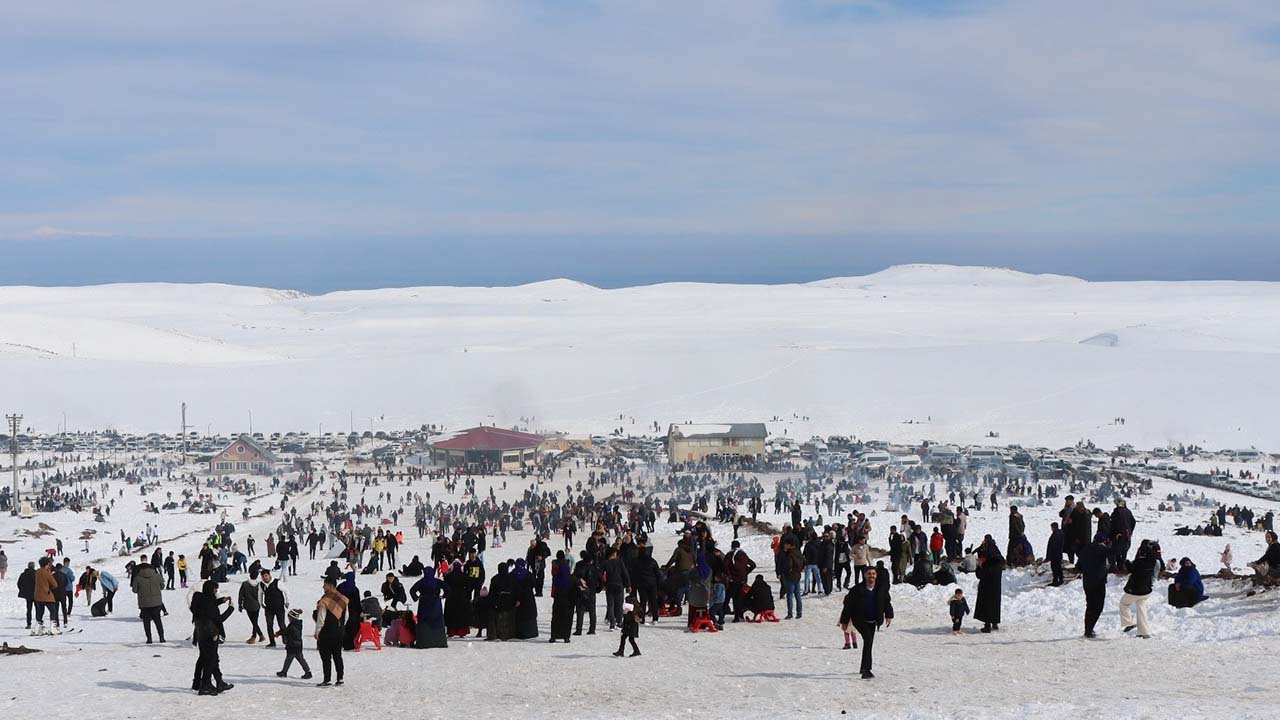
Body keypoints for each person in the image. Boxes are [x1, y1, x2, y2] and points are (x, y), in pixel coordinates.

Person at [838, 567, 893, 679]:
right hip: (860, 620)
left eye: (873, 574)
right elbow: (848, 605)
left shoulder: (880, 589)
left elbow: (886, 602)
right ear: (864, 575)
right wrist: (844, 621)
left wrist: (889, 615)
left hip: (873, 620)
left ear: (876, 576)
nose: (871, 576)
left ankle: (863, 667)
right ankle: (866, 670)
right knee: (868, 641)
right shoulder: (856, 590)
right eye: (869, 574)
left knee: (869, 644)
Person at [191, 580, 235, 696]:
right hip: (211, 635)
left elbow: (209, 604)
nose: (216, 592)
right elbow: (219, 619)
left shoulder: (199, 599)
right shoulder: (209, 604)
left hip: (201, 634)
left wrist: (221, 601)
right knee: (211, 660)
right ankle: (205, 685)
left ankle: (202, 683)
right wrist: (230, 609)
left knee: (204, 658)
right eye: (215, 590)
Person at [315, 577, 349, 686]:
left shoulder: (325, 600)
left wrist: (317, 632)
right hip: (339, 631)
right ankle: (340, 678)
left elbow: (321, 618)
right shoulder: (343, 599)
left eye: (325, 585)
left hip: (327, 632)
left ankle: (327, 679)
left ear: (330, 585)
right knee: (337, 655)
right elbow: (346, 616)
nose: (323, 587)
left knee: (326, 657)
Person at [1120, 542, 1157, 638]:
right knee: (1141, 609)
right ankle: (1144, 632)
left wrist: (1126, 562)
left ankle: (1129, 622)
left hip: (1135, 590)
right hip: (1146, 591)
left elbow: (1131, 569)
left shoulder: (1139, 562)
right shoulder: (1153, 562)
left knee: (1124, 604)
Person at [1076, 534, 1110, 638]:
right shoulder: (1102, 550)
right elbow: (1114, 552)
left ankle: (1088, 630)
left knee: (1090, 606)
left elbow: (1078, 566)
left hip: (1087, 582)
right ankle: (1090, 629)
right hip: (1098, 583)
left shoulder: (1085, 549)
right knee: (1098, 607)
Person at [131, 554, 165, 643]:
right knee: (158, 620)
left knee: (146, 622)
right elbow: (162, 586)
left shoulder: (138, 578)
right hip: (156, 602)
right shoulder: (157, 576)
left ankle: (149, 639)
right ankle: (161, 637)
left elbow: (134, 590)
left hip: (144, 603)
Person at [974, 537, 1004, 633]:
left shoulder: (987, 561)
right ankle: (995, 623)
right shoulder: (998, 558)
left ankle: (987, 626)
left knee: (986, 605)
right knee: (995, 604)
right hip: (996, 587)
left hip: (986, 587)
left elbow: (980, 575)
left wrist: (979, 566)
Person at [276, 607, 313, 679]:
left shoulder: (293, 626)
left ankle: (284, 672)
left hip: (294, 645)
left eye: (289, 617)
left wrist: (283, 633)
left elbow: (288, 632)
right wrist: (280, 633)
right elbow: (286, 631)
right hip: (296, 645)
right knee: (298, 659)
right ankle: (307, 672)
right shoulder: (295, 625)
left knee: (291, 659)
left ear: (292, 618)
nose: (288, 619)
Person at [261, 569, 289, 646]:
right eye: (263, 577)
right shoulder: (262, 584)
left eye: (266, 576)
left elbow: (286, 591)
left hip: (279, 607)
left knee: (282, 624)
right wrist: (261, 603)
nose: (265, 578)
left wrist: (287, 601)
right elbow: (260, 594)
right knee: (269, 625)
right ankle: (272, 642)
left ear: (269, 575)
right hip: (269, 608)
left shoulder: (277, 582)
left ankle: (286, 639)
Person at [239, 569, 266, 643]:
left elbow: (241, 595)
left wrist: (240, 604)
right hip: (257, 605)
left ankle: (254, 636)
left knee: (254, 621)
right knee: (255, 620)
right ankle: (260, 635)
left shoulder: (245, 584)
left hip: (248, 605)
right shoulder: (259, 584)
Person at [17, 561, 36, 629]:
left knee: (29, 609)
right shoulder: (36, 574)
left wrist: (23, 590)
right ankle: (38, 623)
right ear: (33, 566)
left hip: (27, 594)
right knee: (38, 609)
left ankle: (28, 623)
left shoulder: (23, 574)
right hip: (35, 593)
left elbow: (19, 583)